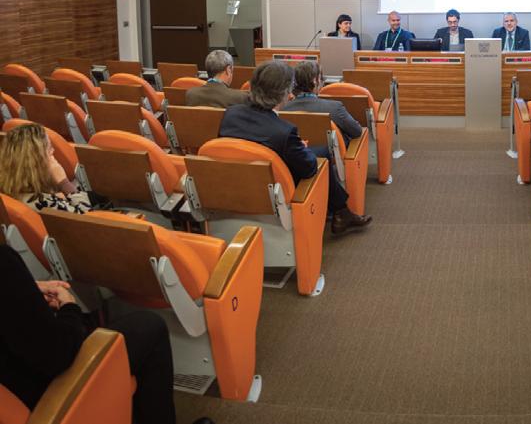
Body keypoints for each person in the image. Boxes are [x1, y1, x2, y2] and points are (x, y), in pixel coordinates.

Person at [0, 245, 212, 424]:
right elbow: (58, 354)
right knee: (149, 327)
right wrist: (69, 307)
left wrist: (28, 288)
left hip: (15, 390)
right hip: (50, 395)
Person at [218, 61, 371, 235]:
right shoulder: (283, 132)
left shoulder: (230, 114)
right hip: (274, 188)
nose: (291, 95)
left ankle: (342, 212)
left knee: (319, 151)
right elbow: (309, 168)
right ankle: (341, 211)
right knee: (321, 156)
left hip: (235, 185)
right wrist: (299, 148)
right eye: (289, 90)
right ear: (282, 94)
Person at [0, 123, 92, 214]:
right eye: (49, 148)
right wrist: (65, 183)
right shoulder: (43, 203)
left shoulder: (8, 190)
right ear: (37, 160)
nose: (53, 151)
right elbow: (87, 216)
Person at [284, 61, 363, 145]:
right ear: (315, 80)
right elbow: (357, 132)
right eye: (321, 78)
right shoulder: (335, 108)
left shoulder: (283, 110)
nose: (323, 81)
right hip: (331, 153)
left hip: (296, 152)